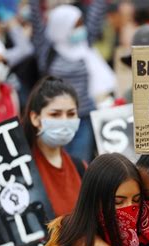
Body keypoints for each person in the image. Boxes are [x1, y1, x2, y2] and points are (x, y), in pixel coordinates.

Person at [30, 0, 116, 162]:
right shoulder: (47, 50)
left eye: (81, 23)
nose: (81, 29)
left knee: (79, 165)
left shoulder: (84, 44)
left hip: (83, 117)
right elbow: (35, 18)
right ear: (62, 26)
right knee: (55, 163)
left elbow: (96, 13)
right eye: (76, 25)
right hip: (54, 118)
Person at [22, 76, 85, 217]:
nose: (64, 121)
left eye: (71, 114)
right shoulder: (21, 172)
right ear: (35, 119)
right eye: (55, 114)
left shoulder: (81, 168)